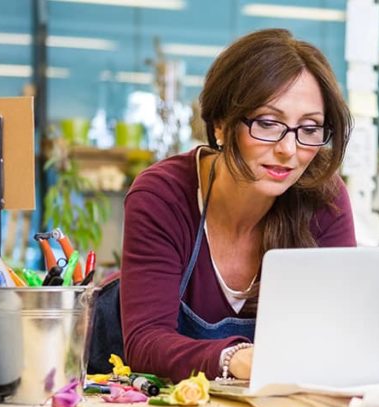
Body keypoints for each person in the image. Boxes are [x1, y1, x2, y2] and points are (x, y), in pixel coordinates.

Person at [117, 28, 355, 382]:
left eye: (309, 129)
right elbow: (145, 342)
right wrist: (237, 359)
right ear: (221, 125)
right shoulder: (163, 196)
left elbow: (340, 331)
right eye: (268, 123)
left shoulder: (323, 198)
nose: (288, 149)